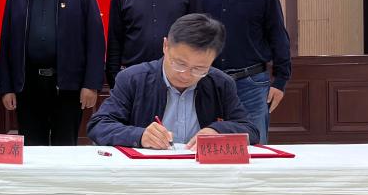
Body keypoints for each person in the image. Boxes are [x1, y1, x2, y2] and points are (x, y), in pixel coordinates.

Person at [0, 0, 105, 146]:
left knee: (65, 148)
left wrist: (91, 84)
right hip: (28, 86)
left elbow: (95, 39)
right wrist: (6, 87)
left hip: (68, 86)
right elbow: (7, 42)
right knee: (32, 149)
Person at [87, 13, 258, 148]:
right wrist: (139, 136)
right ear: (165, 46)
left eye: (199, 69)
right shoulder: (133, 79)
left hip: (201, 171)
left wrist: (218, 131)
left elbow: (250, 129)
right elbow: (99, 125)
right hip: (147, 171)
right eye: (179, 63)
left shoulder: (221, 83)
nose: (186, 75)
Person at [197, 0, 291, 143]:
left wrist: (280, 82)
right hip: (209, 82)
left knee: (253, 145)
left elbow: (278, 36)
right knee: (207, 144)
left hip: (251, 83)